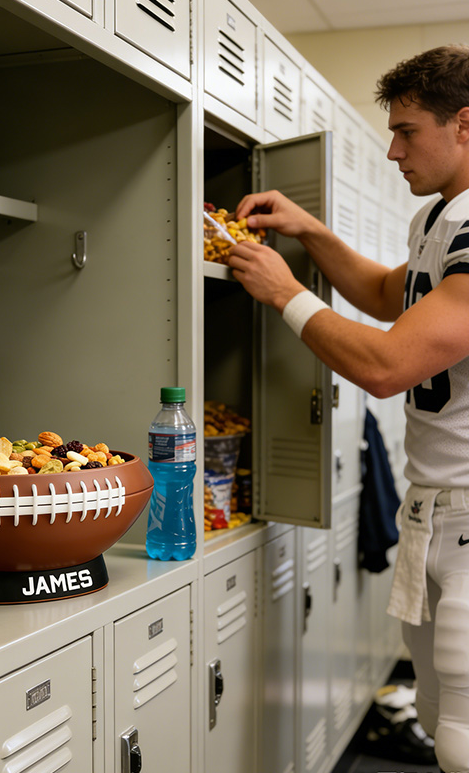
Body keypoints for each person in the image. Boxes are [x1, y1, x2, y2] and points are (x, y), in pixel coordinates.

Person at [226, 44, 469, 773]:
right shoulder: (439, 219)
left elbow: (390, 367)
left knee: (463, 735)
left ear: (465, 124)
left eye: (408, 131)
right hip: (434, 510)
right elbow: (388, 292)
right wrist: (312, 234)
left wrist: (285, 293)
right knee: (436, 713)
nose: (392, 150)